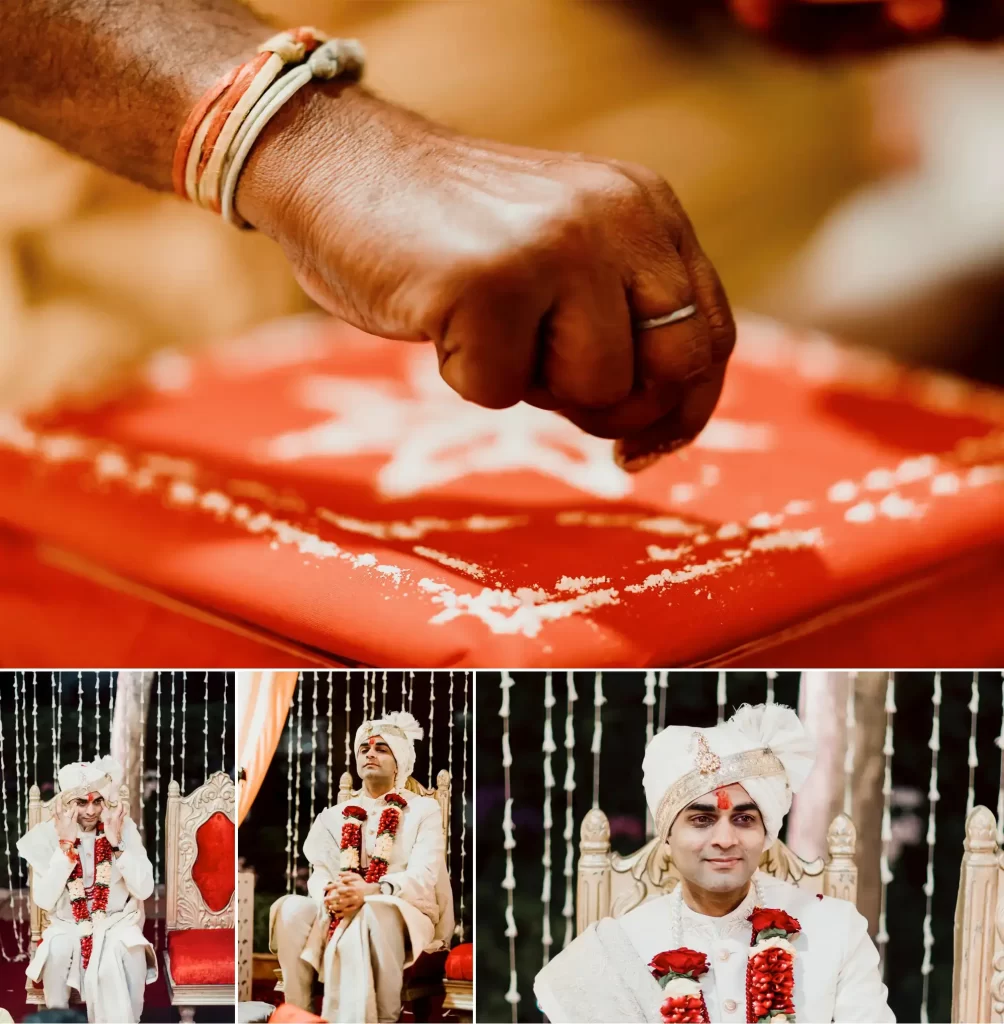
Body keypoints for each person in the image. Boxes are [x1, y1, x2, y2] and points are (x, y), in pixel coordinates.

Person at [534, 703, 894, 1023]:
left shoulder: (833, 930)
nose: (725, 839)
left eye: (744, 819)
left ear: (765, 832)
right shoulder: (619, 949)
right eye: (701, 820)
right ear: (668, 836)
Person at [270, 711, 454, 1023]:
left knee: (375, 908)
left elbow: (423, 876)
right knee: (290, 908)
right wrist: (332, 893)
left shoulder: (424, 810)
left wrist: (372, 890)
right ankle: (302, 1016)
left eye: (382, 749)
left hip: (405, 911)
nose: (370, 754)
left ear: (400, 761)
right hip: (338, 909)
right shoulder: (334, 815)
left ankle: (380, 1019)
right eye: (364, 749)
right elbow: (320, 872)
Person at [16, 756, 156, 1024]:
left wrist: (117, 844)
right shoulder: (47, 836)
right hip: (67, 924)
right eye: (82, 802)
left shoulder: (123, 829)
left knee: (132, 951)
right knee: (55, 950)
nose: (91, 811)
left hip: (116, 922)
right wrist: (66, 847)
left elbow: (145, 889)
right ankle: (57, 1020)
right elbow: (44, 899)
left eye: (97, 801)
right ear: (67, 804)